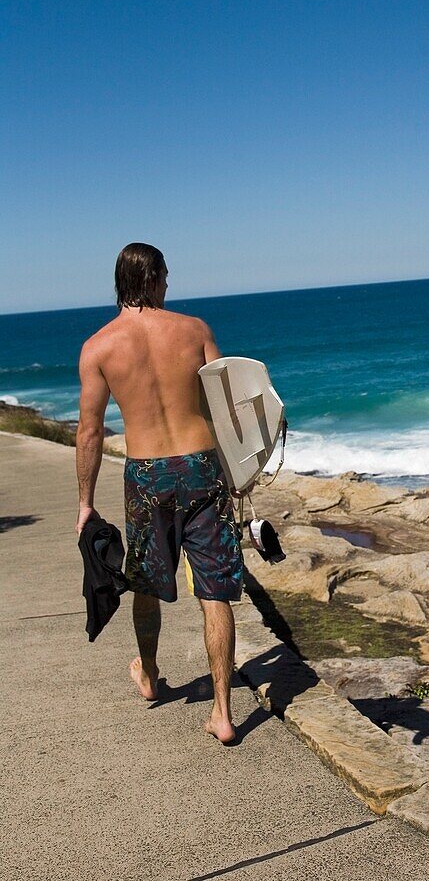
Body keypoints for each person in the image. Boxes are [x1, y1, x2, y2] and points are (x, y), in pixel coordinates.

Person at [75, 242, 245, 744]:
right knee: (215, 590)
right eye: (166, 276)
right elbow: (227, 405)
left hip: (147, 475)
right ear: (150, 278)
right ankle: (222, 713)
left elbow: (89, 432)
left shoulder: (99, 346)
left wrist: (84, 504)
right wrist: (237, 474)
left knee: (146, 582)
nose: (169, 285)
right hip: (201, 467)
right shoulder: (195, 331)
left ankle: (149, 675)